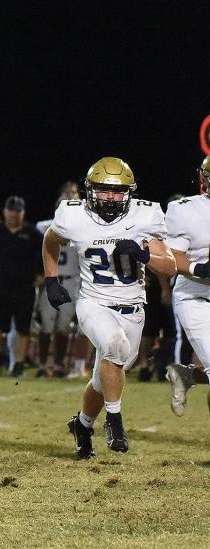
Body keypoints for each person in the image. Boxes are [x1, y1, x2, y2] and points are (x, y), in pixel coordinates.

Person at [43, 157, 174, 458]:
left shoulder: (145, 215)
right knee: (113, 347)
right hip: (93, 302)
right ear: (90, 190)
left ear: (129, 192)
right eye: (103, 190)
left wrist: (144, 255)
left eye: (118, 191)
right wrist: (52, 280)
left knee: (104, 380)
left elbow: (169, 266)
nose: (111, 197)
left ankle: (83, 424)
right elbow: (51, 241)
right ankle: (114, 422)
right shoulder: (72, 215)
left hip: (133, 306)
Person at [165, 156, 210, 416]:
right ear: (202, 177)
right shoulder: (186, 210)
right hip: (195, 294)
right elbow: (174, 256)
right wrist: (199, 268)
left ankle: (187, 376)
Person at [0, 196, 42, 377]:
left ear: (23, 212)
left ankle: (19, 365)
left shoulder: (32, 233)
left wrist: (42, 274)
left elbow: (47, 250)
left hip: (25, 287)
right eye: (11, 210)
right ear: (5, 211)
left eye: (18, 211)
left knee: (23, 328)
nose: (14, 214)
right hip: (2, 286)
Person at [35, 182, 82, 378]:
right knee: (46, 325)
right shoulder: (44, 227)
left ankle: (60, 365)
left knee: (63, 326)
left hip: (71, 281)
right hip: (51, 278)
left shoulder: (81, 230)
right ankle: (42, 364)